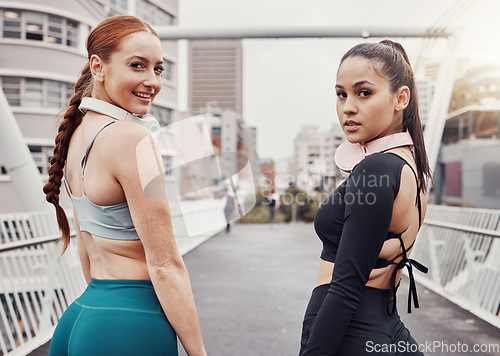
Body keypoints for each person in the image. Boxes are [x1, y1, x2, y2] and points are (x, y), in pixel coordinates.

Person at [43, 16, 206, 356]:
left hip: (81, 317)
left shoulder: (75, 137)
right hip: (130, 325)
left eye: (158, 69)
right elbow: (165, 266)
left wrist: (101, 317)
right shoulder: (134, 139)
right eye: (137, 65)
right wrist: (198, 353)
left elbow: (86, 248)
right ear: (97, 67)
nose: (152, 81)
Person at [299, 40, 431, 355]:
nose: (348, 107)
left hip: (346, 335)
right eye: (341, 94)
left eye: (364, 92)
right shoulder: (413, 167)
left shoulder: (377, 167)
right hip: (386, 327)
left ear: (401, 98)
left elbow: (345, 288)